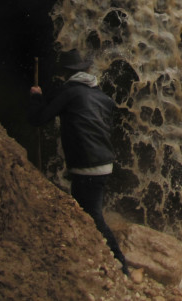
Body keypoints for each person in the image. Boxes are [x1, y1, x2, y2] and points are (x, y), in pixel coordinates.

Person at [28, 48, 129, 276]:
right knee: (85, 210)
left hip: (87, 165)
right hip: (104, 163)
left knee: (91, 215)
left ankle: (121, 265)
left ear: (67, 73)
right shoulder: (102, 97)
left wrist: (36, 97)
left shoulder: (69, 93)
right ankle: (96, 258)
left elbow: (39, 119)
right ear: (86, 70)